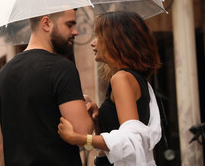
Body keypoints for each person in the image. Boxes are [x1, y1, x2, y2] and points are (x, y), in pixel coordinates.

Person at [58, 11, 162, 166]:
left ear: (116, 40)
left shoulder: (121, 79)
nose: (93, 43)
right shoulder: (135, 79)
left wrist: (77, 138)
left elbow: (131, 141)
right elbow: (117, 143)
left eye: (99, 36)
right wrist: (99, 120)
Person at [0, 9, 94, 166]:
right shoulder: (61, 68)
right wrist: (88, 110)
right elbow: (82, 135)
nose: (76, 31)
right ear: (46, 24)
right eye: (70, 24)